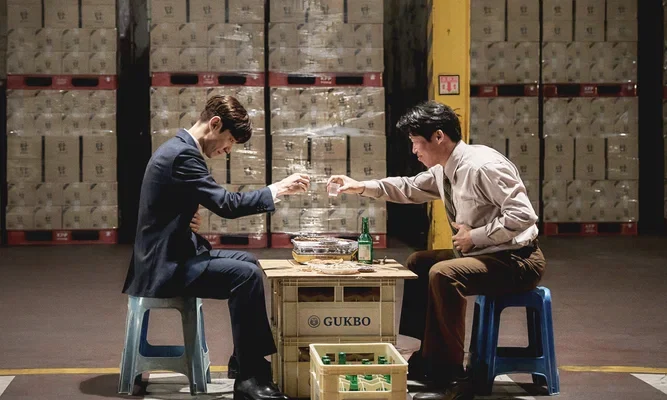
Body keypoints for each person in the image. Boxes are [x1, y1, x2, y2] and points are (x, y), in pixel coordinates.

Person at [327, 101, 545, 400]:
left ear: (439, 136)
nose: (414, 151)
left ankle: (452, 375)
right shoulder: (445, 169)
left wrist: (475, 237)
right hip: (485, 254)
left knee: (445, 274)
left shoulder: (483, 167)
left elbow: (523, 215)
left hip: (518, 260)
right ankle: (424, 357)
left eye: (417, 142)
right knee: (419, 262)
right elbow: (409, 187)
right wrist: (360, 186)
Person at [123, 95, 310, 400]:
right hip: (164, 267)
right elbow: (226, 205)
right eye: (230, 141)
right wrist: (277, 189)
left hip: (170, 253)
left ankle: (244, 360)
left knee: (247, 262)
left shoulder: (178, 149)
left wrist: (184, 217)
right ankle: (250, 377)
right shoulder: (184, 155)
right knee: (245, 276)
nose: (228, 150)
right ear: (214, 124)